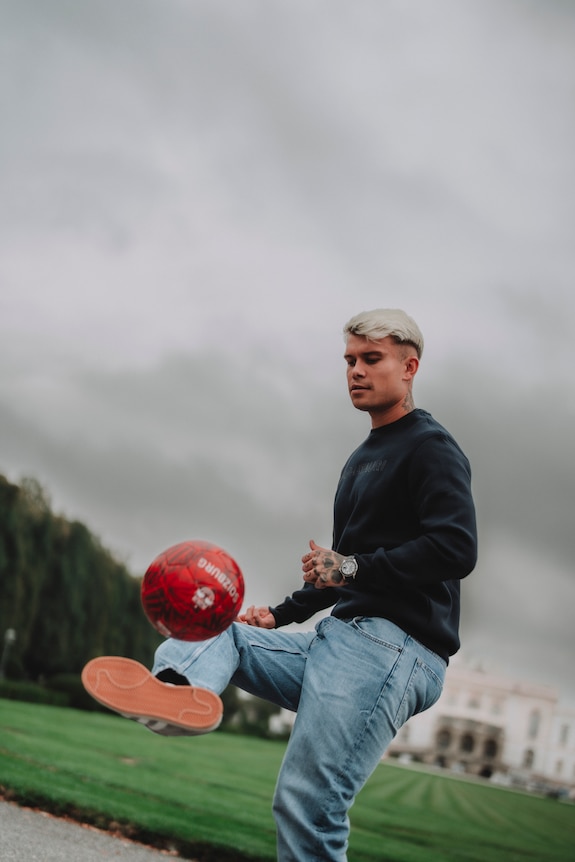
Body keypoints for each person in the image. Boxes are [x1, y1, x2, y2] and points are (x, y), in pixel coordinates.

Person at [82, 308, 477, 862]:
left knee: (308, 803)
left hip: (393, 646)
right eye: (348, 361)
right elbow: (336, 571)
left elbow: (456, 549)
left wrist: (352, 568)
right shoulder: (362, 459)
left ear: (409, 367)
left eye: (371, 359)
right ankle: (175, 688)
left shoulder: (431, 447)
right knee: (221, 630)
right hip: (340, 638)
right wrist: (282, 613)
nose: (355, 371)